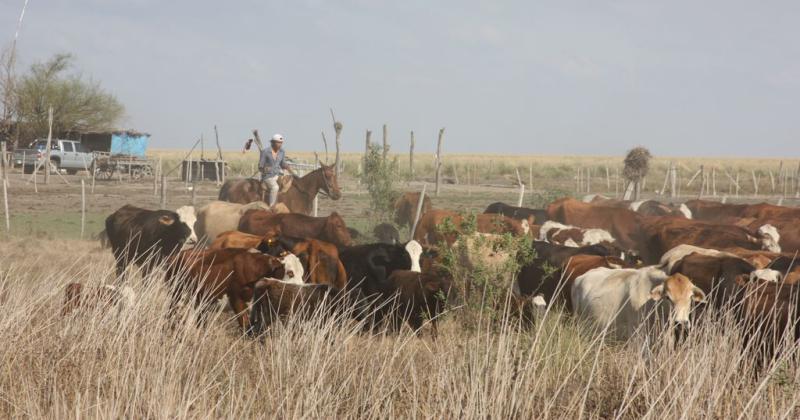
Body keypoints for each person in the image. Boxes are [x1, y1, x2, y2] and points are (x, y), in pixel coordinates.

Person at [258, 133, 295, 206]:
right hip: (268, 176)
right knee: (275, 187)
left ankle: (284, 202)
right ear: (272, 142)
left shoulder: (282, 151)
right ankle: (272, 206)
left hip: (278, 174)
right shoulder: (265, 152)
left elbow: (282, 164)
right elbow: (260, 166)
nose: (280, 144)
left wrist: (290, 170)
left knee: (289, 183)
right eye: (278, 142)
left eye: (281, 143)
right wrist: (264, 169)